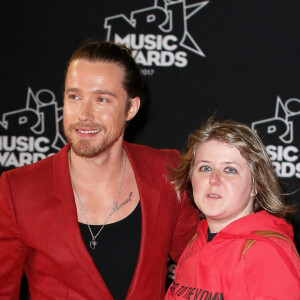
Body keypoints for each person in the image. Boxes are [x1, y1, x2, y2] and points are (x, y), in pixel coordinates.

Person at [0, 39, 199, 300]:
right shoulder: (18, 190)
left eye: (102, 99)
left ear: (131, 108)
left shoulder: (167, 172)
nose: (84, 113)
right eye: (74, 97)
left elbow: (202, 262)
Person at [165, 118, 300, 299]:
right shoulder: (197, 241)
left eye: (230, 170)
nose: (213, 179)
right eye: (205, 168)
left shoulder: (266, 254)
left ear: (255, 186)